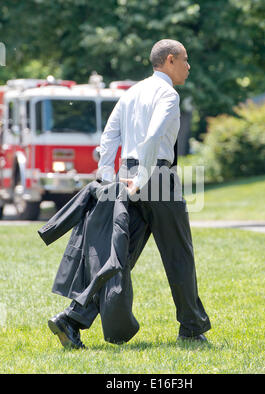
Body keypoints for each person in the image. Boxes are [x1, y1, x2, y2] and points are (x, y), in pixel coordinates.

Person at [47, 39, 211, 349]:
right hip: (155, 176)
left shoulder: (131, 93)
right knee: (179, 254)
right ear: (170, 60)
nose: (189, 67)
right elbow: (153, 136)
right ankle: (191, 328)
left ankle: (71, 319)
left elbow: (109, 136)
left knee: (118, 257)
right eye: (185, 60)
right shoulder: (168, 94)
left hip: (126, 178)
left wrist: (108, 177)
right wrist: (144, 176)